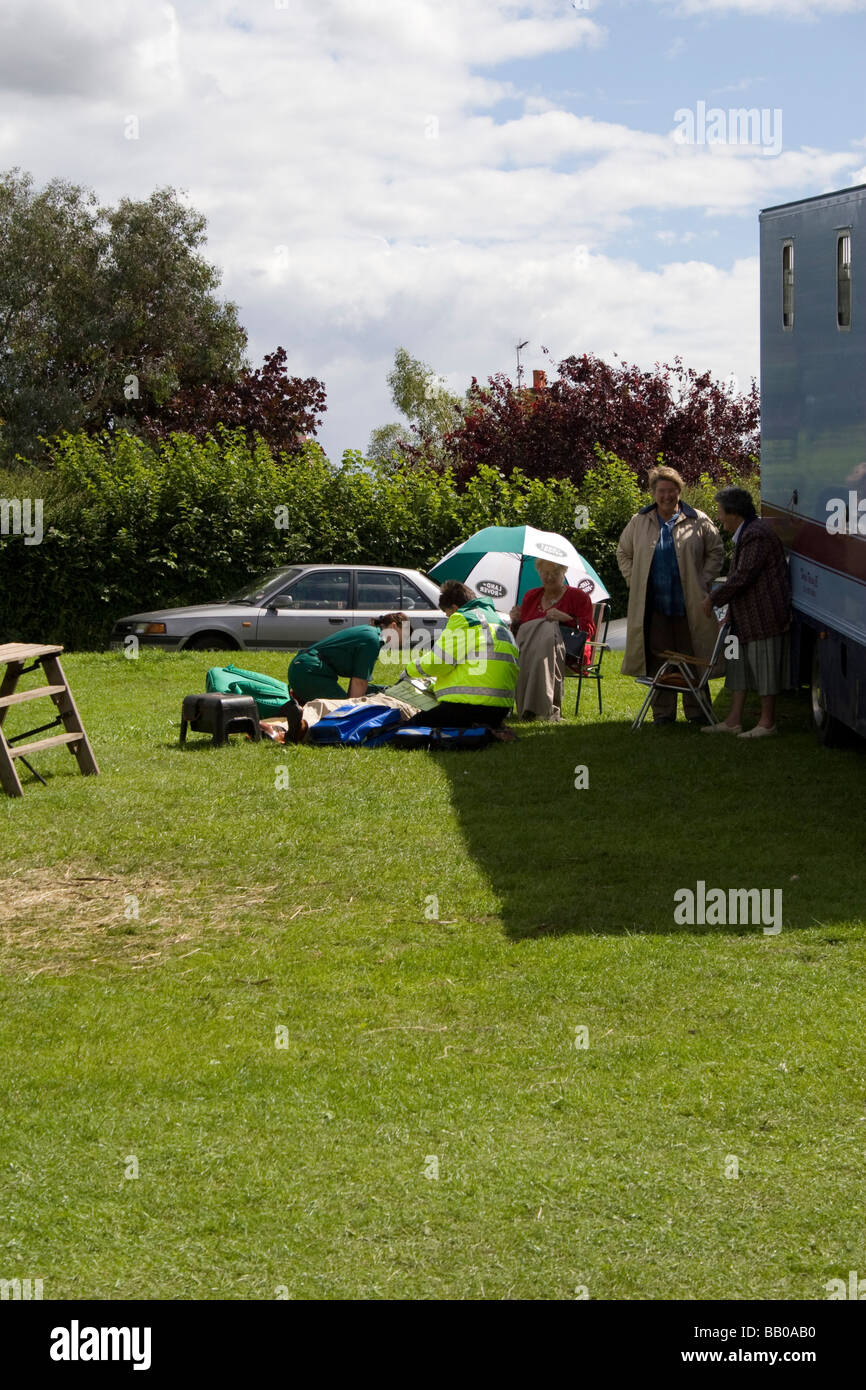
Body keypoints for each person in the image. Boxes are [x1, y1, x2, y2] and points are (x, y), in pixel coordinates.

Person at [617, 465, 724, 725]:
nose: (667, 496)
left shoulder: (698, 519)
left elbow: (717, 551)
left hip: (690, 605)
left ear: (679, 491)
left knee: (694, 657)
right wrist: (635, 580)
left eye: (671, 490)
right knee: (660, 658)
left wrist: (704, 579)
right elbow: (623, 553)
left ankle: (697, 711)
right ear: (653, 493)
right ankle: (663, 714)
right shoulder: (639, 521)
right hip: (655, 606)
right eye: (661, 491)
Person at [700, 486, 792, 739]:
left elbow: (743, 576)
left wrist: (713, 599)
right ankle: (733, 721)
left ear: (734, 513)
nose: (718, 517)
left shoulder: (756, 535)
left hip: (764, 616)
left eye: (720, 512)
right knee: (738, 667)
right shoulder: (748, 532)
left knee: (765, 669)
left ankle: (767, 723)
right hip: (745, 618)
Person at [400, 580, 518, 728]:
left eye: (448, 614)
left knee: (409, 726)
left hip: (470, 706)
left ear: (455, 608)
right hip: (500, 709)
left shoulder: (463, 618)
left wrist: (409, 670)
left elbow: (437, 662)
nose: (449, 618)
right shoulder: (498, 622)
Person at [282, 613, 407, 737]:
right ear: (394, 626)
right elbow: (359, 682)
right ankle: (295, 729)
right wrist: (352, 711)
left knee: (343, 705)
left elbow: (360, 682)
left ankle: (296, 712)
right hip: (308, 671)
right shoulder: (373, 640)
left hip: (303, 668)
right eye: (404, 635)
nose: (402, 642)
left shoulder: (370, 632)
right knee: (340, 712)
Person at [509, 559, 595, 722]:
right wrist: (516, 620)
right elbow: (524, 631)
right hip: (533, 650)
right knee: (539, 635)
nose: (549, 577)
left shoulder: (578, 597)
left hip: (569, 652)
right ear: (539, 574)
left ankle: (539, 708)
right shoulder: (531, 596)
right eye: (545, 573)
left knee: (549, 631)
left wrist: (567, 619)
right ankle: (538, 707)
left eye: (555, 573)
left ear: (564, 573)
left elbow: (589, 629)